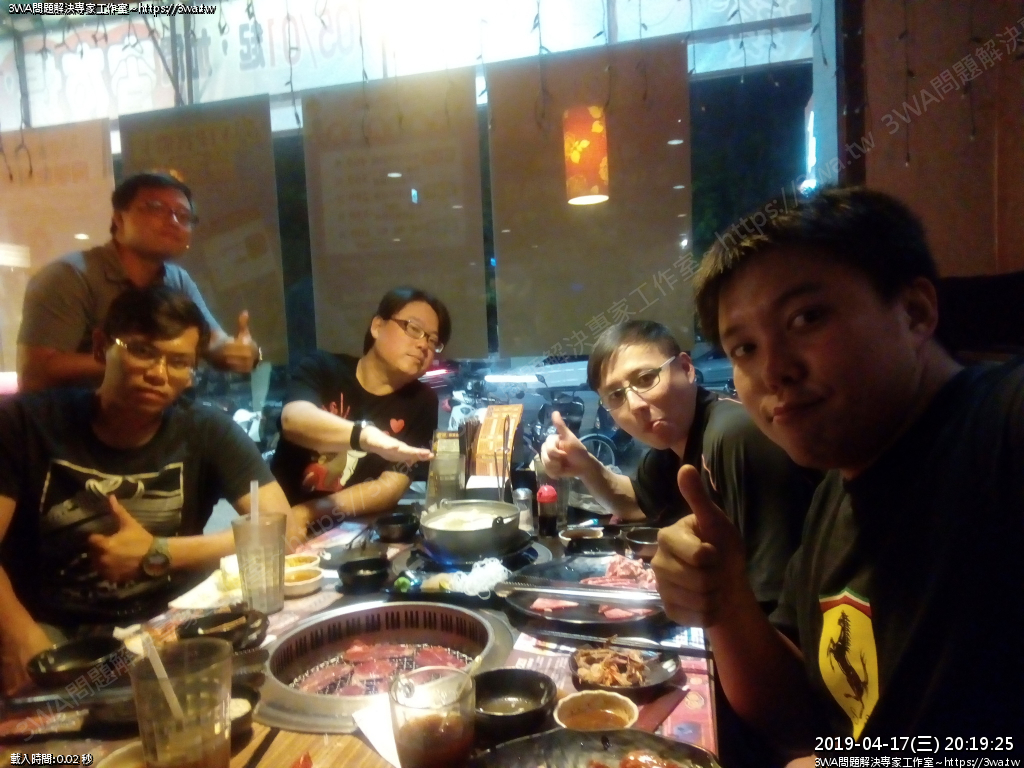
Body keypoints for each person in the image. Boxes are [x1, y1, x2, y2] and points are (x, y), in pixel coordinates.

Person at [651, 187, 1024, 758]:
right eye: (744, 348)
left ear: (915, 312)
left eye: (806, 318)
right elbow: (800, 719)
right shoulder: (839, 491)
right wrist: (725, 600)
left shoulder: (999, 428)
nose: (773, 370)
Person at [0, 286, 298, 695]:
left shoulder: (205, 430)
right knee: (52, 735)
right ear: (102, 346)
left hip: (170, 622)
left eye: (179, 362)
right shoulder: (25, 424)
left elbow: (282, 529)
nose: (159, 374)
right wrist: (18, 635)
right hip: (55, 631)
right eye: (142, 351)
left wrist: (159, 553)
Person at [541, 320, 816, 614]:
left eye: (646, 379)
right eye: (616, 396)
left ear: (686, 368)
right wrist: (585, 465)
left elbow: (777, 601)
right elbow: (634, 503)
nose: (635, 405)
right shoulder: (671, 446)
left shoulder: (733, 436)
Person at [17, 171, 261, 392]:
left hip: (161, 414)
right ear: (119, 219)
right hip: (81, 419)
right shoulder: (70, 276)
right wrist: (137, 359)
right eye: (156, 208)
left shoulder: (177, 279)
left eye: (184, 216)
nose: (173, 221)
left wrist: (241, 352)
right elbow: (35, 373)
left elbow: (214, 343)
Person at [271, 287, 449, 523]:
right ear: (377, 326)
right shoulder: (323, 367)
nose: (424, 345)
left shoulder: (422, 401)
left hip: (349, 530)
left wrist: (308, 513)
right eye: (414, 329)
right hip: (276, 523)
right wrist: (365, 437)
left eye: (432, 340)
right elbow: (293, 421)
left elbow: (390, 487)